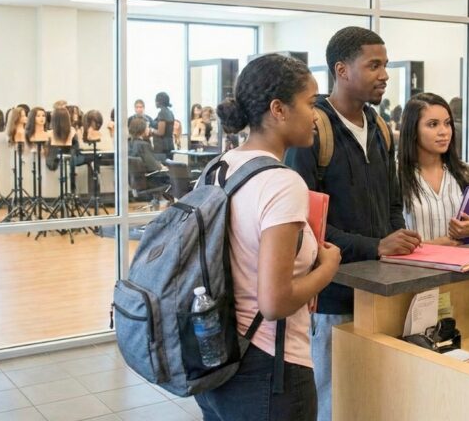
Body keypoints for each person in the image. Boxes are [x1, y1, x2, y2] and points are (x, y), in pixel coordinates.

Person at [284, 26, 421, 421]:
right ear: (342, 70)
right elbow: (306, 227)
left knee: (374, 397)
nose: (385, 74)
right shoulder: (313, 131)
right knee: (332, 401)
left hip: (381, 292)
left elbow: (394, 202)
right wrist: (375, 246)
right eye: (374, 65)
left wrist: (396, 240)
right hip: (332, 297)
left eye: (386, 65)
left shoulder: (380, 128)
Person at [195, 53, 340, 421]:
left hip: (218, 355)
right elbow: (274, 302)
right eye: (310, 103)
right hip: (270, 368)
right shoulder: (281, 182)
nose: (317, 116)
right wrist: (327, 267)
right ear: (278, 109)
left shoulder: (218, 167)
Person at [398, 93, 469, 245]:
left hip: (464, 267)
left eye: (447, 123)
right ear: (413, 129)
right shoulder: (396, 176)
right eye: (433, 124)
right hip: (415, 268)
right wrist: (439, 244)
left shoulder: (466, 172)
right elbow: (390, 242)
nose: (444, 131)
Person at [151, 91, 175, 157]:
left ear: (159, 101)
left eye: (155, 100)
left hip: (162, 147)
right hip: (169, 145)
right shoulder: (170, 112)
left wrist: (151, 130)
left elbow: (160, 132)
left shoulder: (162, 113)